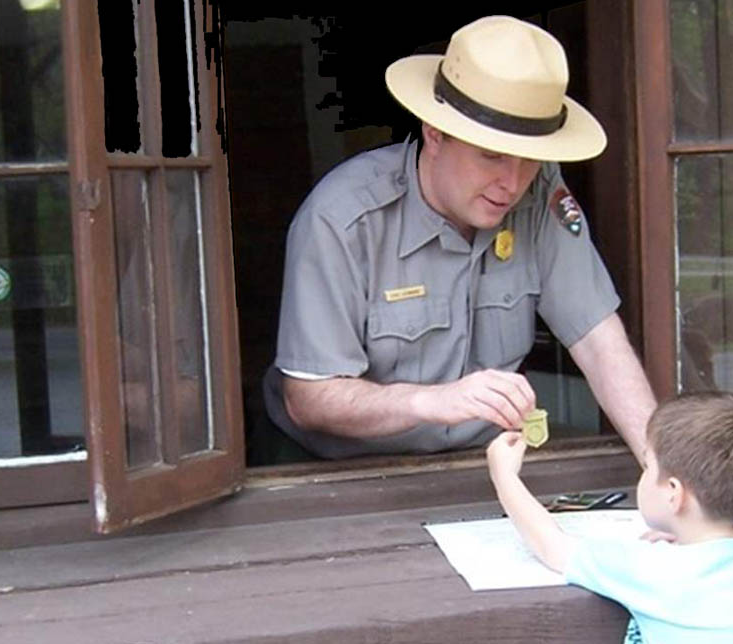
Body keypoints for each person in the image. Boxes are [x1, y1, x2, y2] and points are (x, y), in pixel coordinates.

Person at [257, 15, 656, 462]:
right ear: (435, 133)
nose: (513, 183)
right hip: (333, 468)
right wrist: (429, 401)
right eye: (491, 156)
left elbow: (598, 340)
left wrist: (662, 466)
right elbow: (308, 399)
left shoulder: (540, 192)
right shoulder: (342, 218)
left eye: (530, 160)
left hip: (479, 459)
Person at [487, 391, 733, 644]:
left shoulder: (652, 568)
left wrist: (504, 476)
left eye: (648, 464)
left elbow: (552, 546)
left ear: (673, 493)